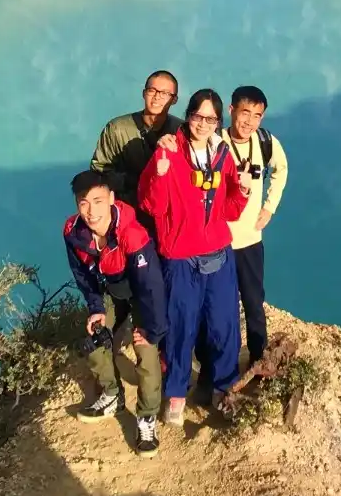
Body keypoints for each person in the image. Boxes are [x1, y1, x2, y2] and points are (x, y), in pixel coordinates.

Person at [138, 88, 247, 426]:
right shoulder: (168, 151)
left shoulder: (223, 155)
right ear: (188, 116)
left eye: (211, 118)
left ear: (218, 122)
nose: (204, 123)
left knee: (224, 325)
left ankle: (222, 385)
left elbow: (229, 210)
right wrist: (159, 170)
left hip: (218, 254)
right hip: (181, 257)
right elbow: (151, 205)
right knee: (180, 327)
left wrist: (241, 190)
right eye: (198, 116)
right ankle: (176, 394)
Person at [63, 169, 167, 456]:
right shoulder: (73, 233)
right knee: (95, 337)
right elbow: (82, 275)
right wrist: (96, 309)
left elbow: (151, 287)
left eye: (98, 201)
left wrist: (152, 329)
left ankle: (146, 415)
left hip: (140, 295)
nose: (91, 211)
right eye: (84, 202)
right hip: (110, 292)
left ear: (110, 198)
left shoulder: (131, 234)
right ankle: (112, 396)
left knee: (145, 351)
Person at [221, 85, 288, 364]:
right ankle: (223, 363)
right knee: (221, 307)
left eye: (257, 115)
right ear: (231, 110)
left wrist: (269, 208)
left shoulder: (264, 142)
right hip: (218, 241)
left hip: (250, 240)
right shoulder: (214, 142)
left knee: (253, 303)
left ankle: (258, 359)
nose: (249, 121)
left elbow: (281, 170)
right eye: (244, 112)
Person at [90, 71, 182, 204]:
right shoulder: (117, 129)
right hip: (127, 210)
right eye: (152, 90)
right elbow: (99, 171)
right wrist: (134, 180)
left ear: (174, 100)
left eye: (165, 93)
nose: (157, 97)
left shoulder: (180, 130)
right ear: (144, 93)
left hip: (166, 209)